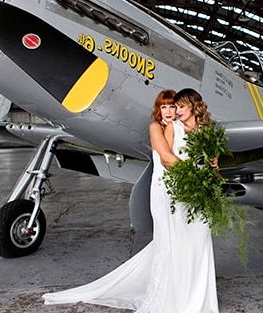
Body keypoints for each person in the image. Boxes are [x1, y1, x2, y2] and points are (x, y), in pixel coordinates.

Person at [42, 89, 219, 313]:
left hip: (196, 192)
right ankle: (174, 298)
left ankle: (198, 294)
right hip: (171, 190)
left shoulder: (200, 130)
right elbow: (166, 159)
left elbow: (210, 158)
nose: (171, 110)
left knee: (198, 240)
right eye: (166, 107)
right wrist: (195, 177)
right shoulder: (164, 129)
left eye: (174, 106)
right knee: (173, 241)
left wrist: (211, 171)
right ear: (158, 109)